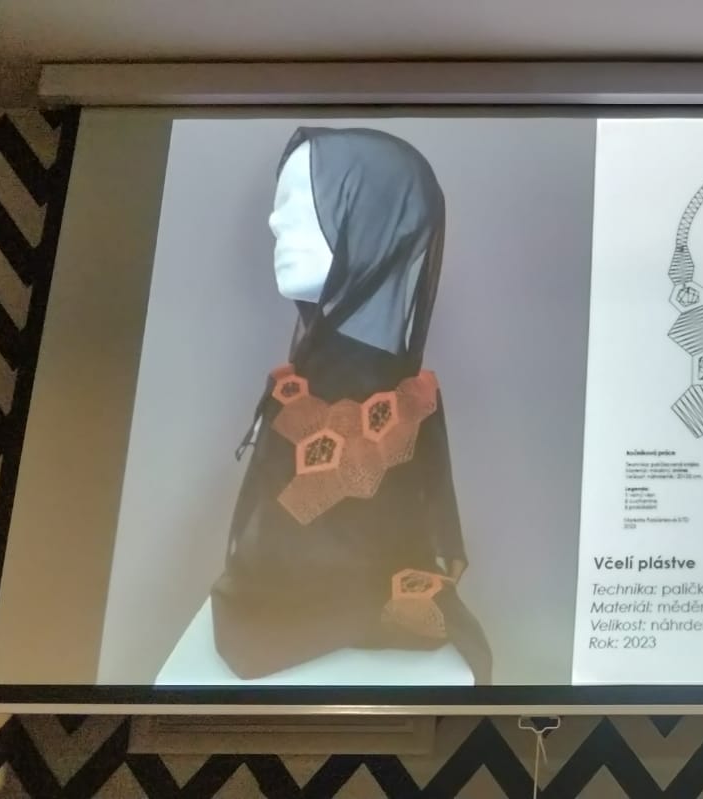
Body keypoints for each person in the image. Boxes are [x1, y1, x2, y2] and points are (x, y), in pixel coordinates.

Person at [209, 126, 493, 684]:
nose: (275, 222)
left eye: (300, 201)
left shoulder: (379, 392)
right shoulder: (320, 371)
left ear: (376, 220)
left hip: (309, 617)